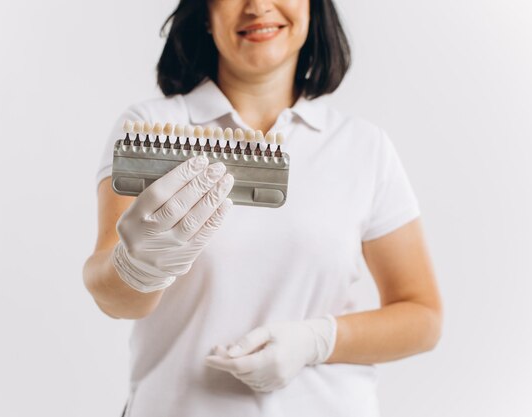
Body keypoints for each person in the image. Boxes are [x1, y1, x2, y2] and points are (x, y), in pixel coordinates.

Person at [83, 0, 443, 416]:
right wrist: (138, 266)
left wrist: (317, 340)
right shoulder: (150, 132)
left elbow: (422, 318)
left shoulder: (364, 147)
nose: (257, 6)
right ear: (204, 11)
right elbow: (114, 298)